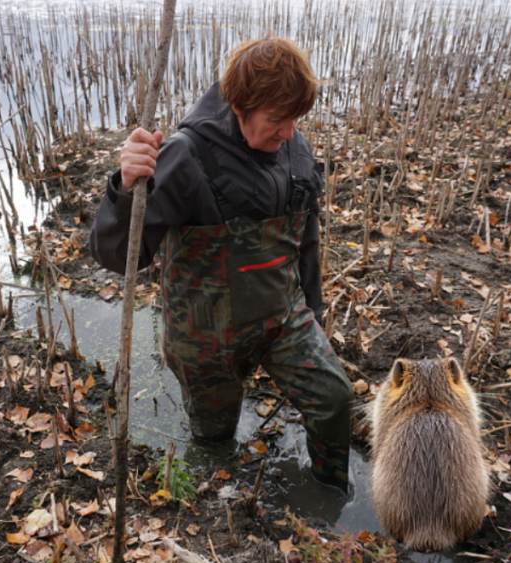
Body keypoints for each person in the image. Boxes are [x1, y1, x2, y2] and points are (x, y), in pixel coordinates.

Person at [89, 36, 353, 492]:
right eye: (277, 119)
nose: (290, 131)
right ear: (238, 106)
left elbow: (305, 246)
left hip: (282, 319)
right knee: (214, 442)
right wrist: (125, 187)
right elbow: (115, 256)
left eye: (296, 118)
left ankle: (328, 498)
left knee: (335, 397)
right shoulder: (184, 155)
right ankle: (220, 502)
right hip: (205, 342)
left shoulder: (297, 151)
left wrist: (316, 319)